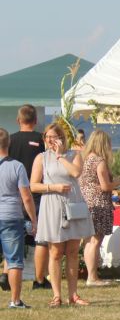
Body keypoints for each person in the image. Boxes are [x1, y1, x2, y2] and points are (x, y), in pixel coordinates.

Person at [29, 123, 95, 307]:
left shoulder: (74, 155)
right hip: (53, 205)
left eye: (54, 137)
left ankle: (73, 295)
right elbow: (33, 185)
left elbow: (76, 172)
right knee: (56, 252)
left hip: (72, 205)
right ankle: (56, 296)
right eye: (47, 137)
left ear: (62, 138)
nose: (50, 140)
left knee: (73, 252)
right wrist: (53, 187)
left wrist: (60, 156)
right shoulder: (41, 158)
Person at [8, 104, 49, 290]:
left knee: (12, 235)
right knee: (40, 237)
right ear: (36, 120)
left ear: (18, 120)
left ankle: (6, 273)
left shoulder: (10, 140)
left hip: (13, 194)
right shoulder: (41, 140)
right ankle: (39, 280)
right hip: (36, 193)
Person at [0, 128, 38, 308]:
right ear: (9, 143)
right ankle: (15, 300)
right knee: (14, 260)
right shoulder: (17, 166)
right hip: (11, 216)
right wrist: (33, 219)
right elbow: (27, 197)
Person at [80, 130, 120, 286]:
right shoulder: (99, 161)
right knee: (96, 241)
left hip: (86, 203)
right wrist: (117, 182)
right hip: (99, 204)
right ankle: (92, 277)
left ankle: (91, 275)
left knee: (88, 241)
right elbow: (105, 186)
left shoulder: (84, 159)